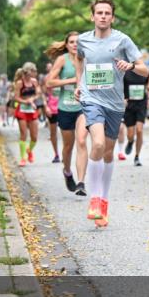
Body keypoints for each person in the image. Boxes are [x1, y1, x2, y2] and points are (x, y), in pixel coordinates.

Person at [73, 0, 148, 227]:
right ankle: (94, 199)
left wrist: (131, 66)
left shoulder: (122, 40)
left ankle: (103, 201)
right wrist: (79, 83)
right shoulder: (83, 40)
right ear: (92, 16)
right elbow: (79, 60)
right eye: (99, 12)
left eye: (107, 13)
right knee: (96, 144)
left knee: (107, 152)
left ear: (112, 17)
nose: (103, 16)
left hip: (115, 104)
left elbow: (145, 70)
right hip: (91, 99)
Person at [45, 32, 88, 194]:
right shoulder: (62, 60)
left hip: (82, 107)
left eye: (78, 42)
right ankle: (67, 172)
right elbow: (49, 82)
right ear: (67, 44)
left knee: (82, 141)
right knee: (68, 146)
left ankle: (81, 182)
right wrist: (71, 81)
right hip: (65, 108)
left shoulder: (86, 58)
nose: (75, 44)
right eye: (71, 42)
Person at [122, 52, 149, 166]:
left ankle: (137, 156)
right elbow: (121, 87)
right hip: (129, 104)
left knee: (139, 130)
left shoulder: (144, 72)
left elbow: (147, 86)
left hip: (141, 104)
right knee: (130, 133)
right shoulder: (125, 72)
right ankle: (130, 141)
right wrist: (123, 98)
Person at [13, 63, 41, 165]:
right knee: (24, 134)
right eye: (34, 71)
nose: (35, 73)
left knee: (34, 137)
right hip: (22, 110)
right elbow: (16, 97)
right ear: (28, 71)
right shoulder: (20, 83)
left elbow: (38, 93)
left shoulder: (34, 82)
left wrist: (32, 99)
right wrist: (26, 102)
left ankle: (29, 150)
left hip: (32, 111)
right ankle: (23, 158)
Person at [41, 61, 61, 162]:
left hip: (63, 106)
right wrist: (46, 107)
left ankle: (66, 153)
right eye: (48, 67)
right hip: (51, 108)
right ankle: (56, 154)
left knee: (66, 131)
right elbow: (43, 94)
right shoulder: (46, 78)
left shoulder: (62, 75)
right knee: (53, 133)